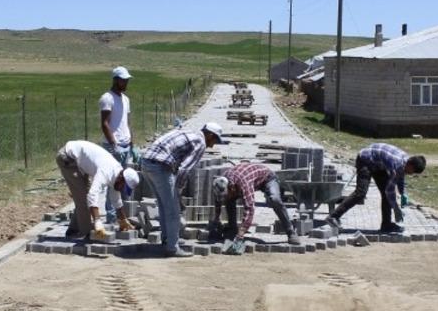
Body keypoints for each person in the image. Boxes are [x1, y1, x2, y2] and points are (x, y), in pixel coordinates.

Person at [140, 122, 227, 258]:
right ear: (210, 135)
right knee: (173, 210)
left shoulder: (190, 132)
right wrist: (178, 191)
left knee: (164, 206)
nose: (213, 145)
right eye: (215, 140)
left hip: (146, 163)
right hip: (160, 166)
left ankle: (168, 240)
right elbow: (185, 169)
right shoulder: (201, 143)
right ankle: (172, 248)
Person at [326, 143, 426, 234]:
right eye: (412, 171)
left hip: (378, 164)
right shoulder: (396, 164)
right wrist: (395, 207)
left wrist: (403, 192)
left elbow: (401, 176)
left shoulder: (405, 161)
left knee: (386, 196)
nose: (411, 174)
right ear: (410, 164)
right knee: (360, 193)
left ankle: (386, 225)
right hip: (365, 160)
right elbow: (389, 190)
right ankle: (333, 216)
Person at [55, 140, 140, 241]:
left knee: (83, 197)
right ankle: (87, 234)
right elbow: (92, 195)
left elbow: (116, 199)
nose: (122, 190)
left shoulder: (117, 174)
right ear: (121, 178)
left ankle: (73, 230)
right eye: (123, 187)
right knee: (84, 199)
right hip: (68, 157)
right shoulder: (106, 171)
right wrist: (97, 221)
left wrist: (123, 219)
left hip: (79, 162)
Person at [210, 163, 300, 254]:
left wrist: (241, 233)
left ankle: (290, 232)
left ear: (231, 188)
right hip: (250, 179)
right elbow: (218, 202)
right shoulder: (220, 184)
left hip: (267, 178)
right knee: (229, 200)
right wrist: (216, 220)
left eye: (226, 195)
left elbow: (249, 209)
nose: (224, 198)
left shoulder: (243, 182)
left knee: (275, 199)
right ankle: (232, 230)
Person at [99, 67, 134, 224]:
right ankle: (112, 215)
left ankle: (123, 213)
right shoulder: (107, 98)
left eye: (126, 80)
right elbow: (105, 124)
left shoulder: (125, 99)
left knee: (124, 180)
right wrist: (114, 144)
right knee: (113, 182)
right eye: (122, 80)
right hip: (113, 147)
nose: (125, 82)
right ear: (115, 80)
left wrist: (132, 141)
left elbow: (127, 121)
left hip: (125, 145)